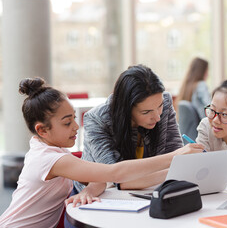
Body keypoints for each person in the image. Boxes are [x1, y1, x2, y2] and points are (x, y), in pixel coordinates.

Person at [0, 78, 203, 228]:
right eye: (67, 122)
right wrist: (174, 156)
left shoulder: (52, 148)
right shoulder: (50, 159)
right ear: (42, 130)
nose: (76, 127)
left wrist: (89, 190)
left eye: (73, 118)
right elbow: (113, 173)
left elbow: (99, 176)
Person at [73, 64, 204, 195]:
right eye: (146, 112)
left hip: (149, 192)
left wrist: (179, 166)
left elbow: (174, 158)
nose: (157, 117)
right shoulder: (97, 119)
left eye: (160, 106)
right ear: (126, 109)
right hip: (98, 197)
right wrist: (179, 167)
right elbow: (119, 180)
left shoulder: (164, 102)